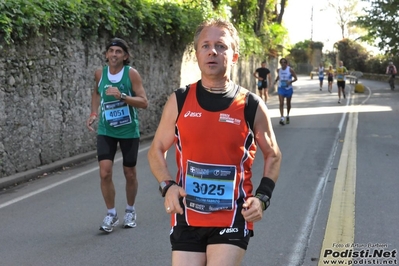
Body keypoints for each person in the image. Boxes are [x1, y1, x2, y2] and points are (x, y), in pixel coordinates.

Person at [147, 19, 281, 266]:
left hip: (233, 216)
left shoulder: (251, 105)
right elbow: (156, 149)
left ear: (234, 56)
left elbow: (273, 154)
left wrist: (262, 198)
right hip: (187, 214)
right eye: (205, 46)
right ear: (197, 55)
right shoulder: (179, 100)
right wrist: (168, 186)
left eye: (221, 46)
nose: (212, 51)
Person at [86, 37, 148, 233]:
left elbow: (143, 101)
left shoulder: (131, 74)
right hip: (106, 129)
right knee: (105, 172)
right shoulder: (99, 74)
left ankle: (130, 210)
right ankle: (111, 214)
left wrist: (122, 96)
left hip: (128, 129)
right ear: (106, 54)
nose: (114, 54)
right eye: (111, 51)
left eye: (118, 51)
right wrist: (94, 112)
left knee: (129, 173)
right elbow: (97, 93)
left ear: (125, 56)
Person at [274, 58, 298, 125]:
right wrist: (275, 81)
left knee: (288, 103)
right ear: (280, 63)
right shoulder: (278, 70)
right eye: (282, 62)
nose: (283, 63)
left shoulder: (290, 70)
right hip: (281, 88)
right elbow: (279, 76)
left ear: (286, 63)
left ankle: (287, 115)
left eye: (284, 62)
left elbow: (296, 78)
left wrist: (290, 81)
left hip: (288, 89)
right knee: (281, 103)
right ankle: (282, 117)